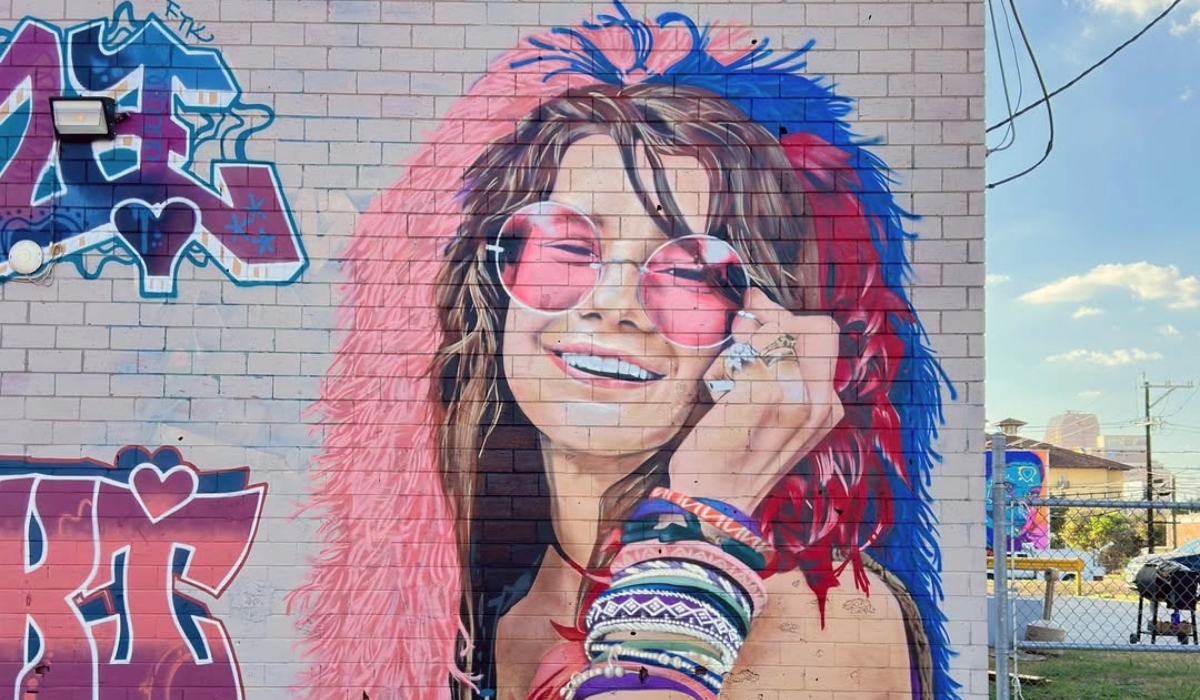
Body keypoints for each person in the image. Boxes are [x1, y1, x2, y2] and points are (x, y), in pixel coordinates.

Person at [288, 4, 957, 700]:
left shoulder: (822, 620)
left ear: (757, 335)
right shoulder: (472, 619)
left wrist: (703, 520)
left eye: (689, 270)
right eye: (569, 246)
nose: (613, 302)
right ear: (496, 287)